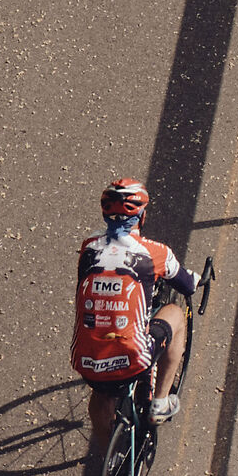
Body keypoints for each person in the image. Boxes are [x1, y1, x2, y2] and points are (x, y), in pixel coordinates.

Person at [71, 179, 200, 449]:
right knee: (176, 314)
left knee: (101, 393)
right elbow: (187, 284)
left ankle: (109, 455)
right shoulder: (155, 253)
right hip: (131, 358)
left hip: (85, 359)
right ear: (142, 216)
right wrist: (199, 279)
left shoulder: (88, 247)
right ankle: (160, 403)